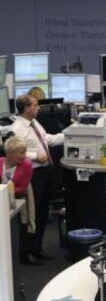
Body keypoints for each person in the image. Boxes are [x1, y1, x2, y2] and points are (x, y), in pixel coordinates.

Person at [11, 95, 64, 260]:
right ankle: (26, 252)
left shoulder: (34, 123)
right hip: (33, 174)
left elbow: (46, 139)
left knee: (42, 212)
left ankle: (37, 248)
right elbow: (16, 151)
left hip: (45, 172)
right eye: (35, 105)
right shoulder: (18, 128)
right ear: (26, 108)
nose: (39, 108)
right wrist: (35, 156)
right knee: (32, 214)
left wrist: (68, 134)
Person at [2, 137, 37, 265]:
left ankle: (22, 255)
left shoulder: (27, 164)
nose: (24, 156)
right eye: (21, 153)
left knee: (22, 227)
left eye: (25, 152)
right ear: (10, 153)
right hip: (3, 201)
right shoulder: (0, 162)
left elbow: (22, 188)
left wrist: (5, 189)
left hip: (19, 199)